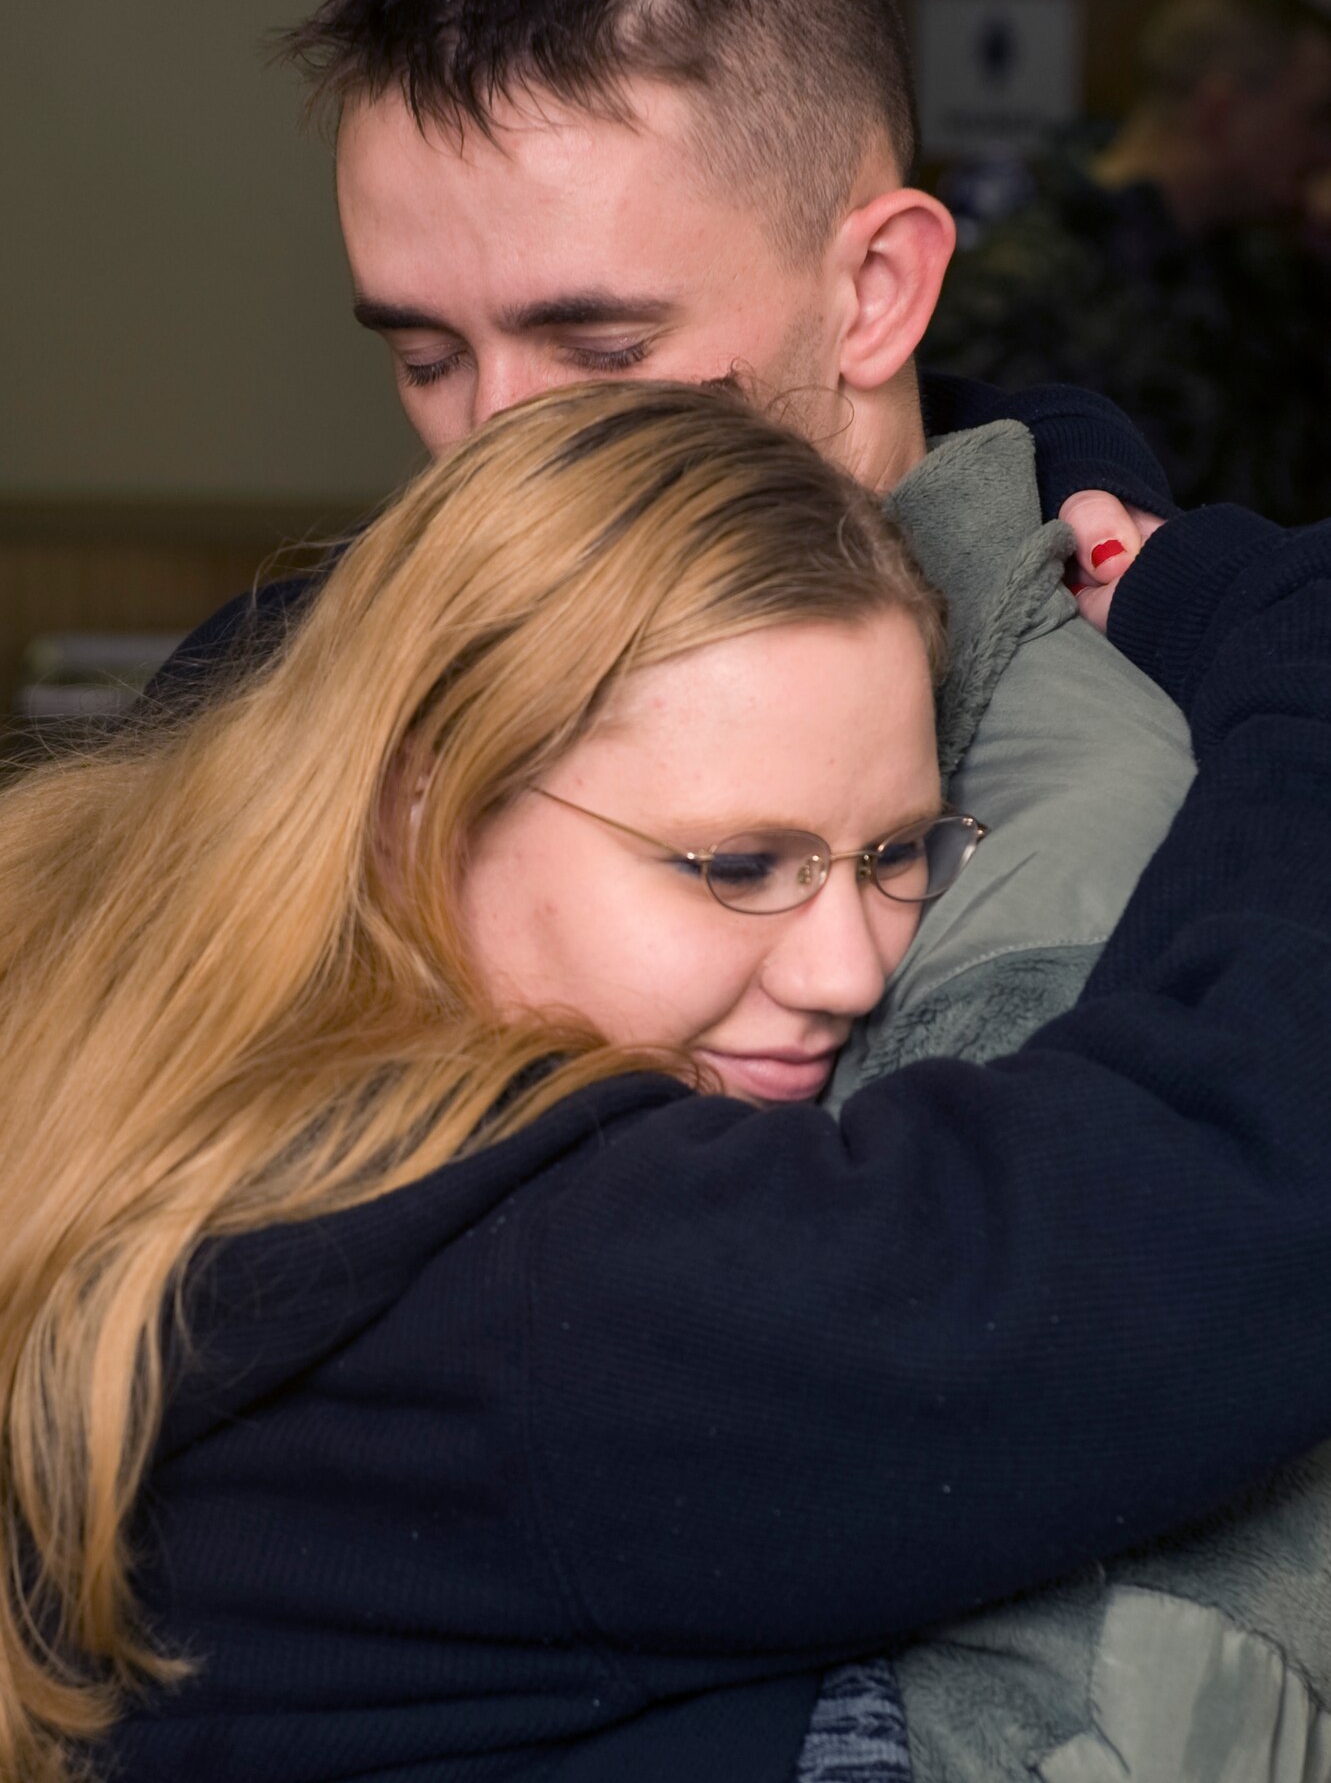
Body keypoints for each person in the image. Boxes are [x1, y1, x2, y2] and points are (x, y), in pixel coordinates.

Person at [4, 381, 1331, 1783]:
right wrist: (1276, 622)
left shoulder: (169, 1058)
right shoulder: (515, 1291)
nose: (844, 972)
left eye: (895, 857)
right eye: (737, 867)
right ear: (420, 812)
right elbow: (1231, 1185)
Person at [158, 0, 1190, 1086]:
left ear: (871, 291)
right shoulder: (291, 678)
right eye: (425, 358)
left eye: (601, 351)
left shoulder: (1062, 833)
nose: (496, 441)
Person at [926, 0, 1331, 522]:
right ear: (1219, 111)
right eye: (1313, 117)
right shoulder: (1020, 279)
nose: (1321, 148)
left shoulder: (1266, 267)